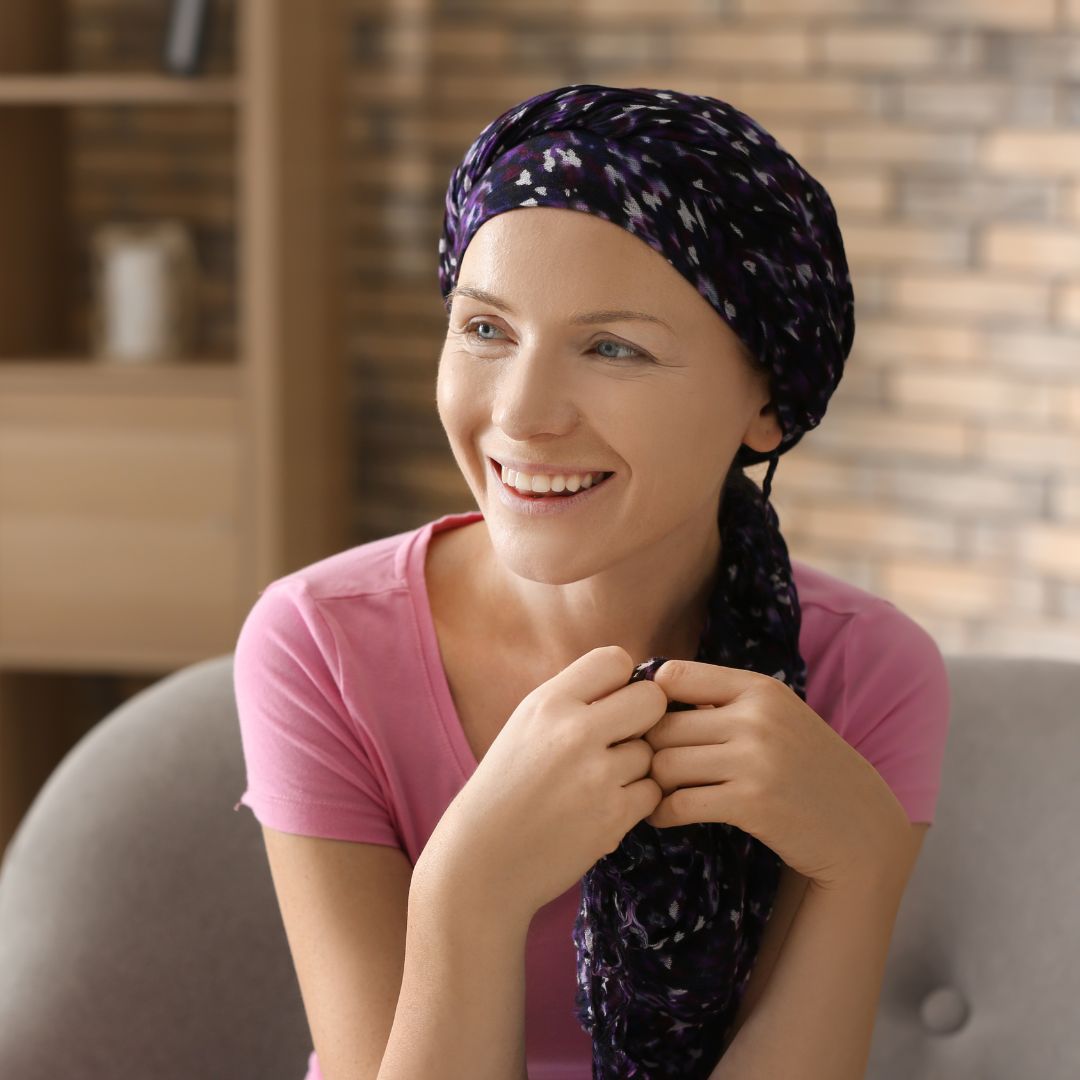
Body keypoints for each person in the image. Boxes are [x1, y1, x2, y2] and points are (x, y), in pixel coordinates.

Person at [233, 84, 951, 1080]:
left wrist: (860, 866)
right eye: (485, 330)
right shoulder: (320, 643)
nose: (523, 416)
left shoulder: (868, 671)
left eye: (614, 348)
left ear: (768, 403)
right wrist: (469, 887)